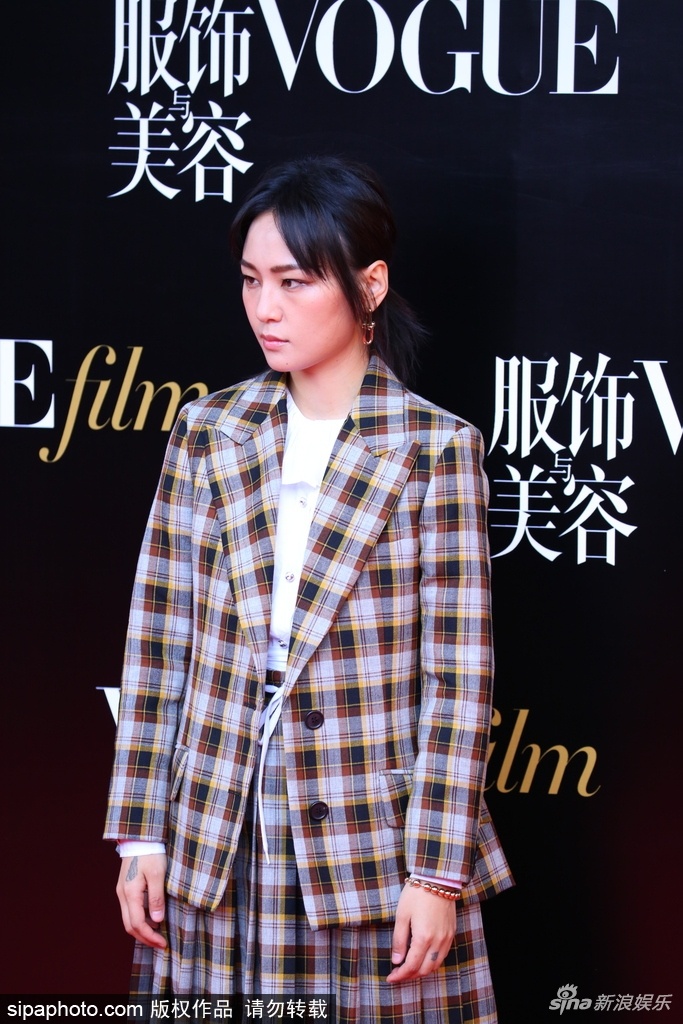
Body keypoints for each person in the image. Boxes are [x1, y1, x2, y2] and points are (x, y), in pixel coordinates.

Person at [105, 155, 514, 1022]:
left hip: (370, 845)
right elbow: (159, 637)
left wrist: (436, 873)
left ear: (369, 287)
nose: (265, 307)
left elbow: (457, 680)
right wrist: (140, 832)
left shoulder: (434, 449)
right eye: (251, 280)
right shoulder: (210, 431)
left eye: (294, 282)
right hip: (213, 834)